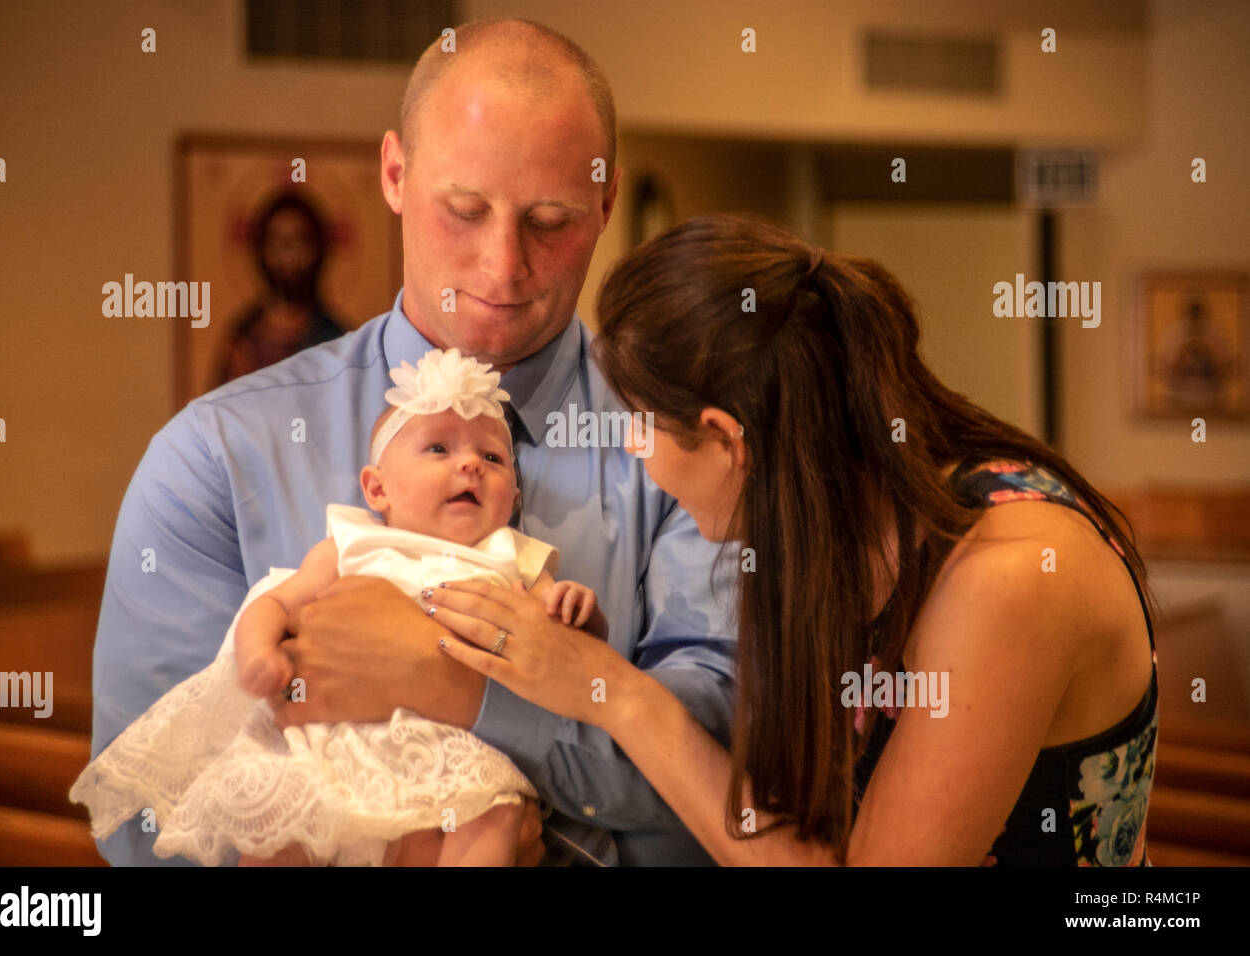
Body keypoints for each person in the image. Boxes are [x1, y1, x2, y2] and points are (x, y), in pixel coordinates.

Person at [90, 18, 737, 867]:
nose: (503, 267)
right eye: (463, 210)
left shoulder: (697, 450)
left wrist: (460, 693)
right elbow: (151, 828)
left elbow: (722, 773)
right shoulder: (213, 458)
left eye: (551, 221)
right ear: (393, 174)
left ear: (608, 200)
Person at [427, 213, 1159, 866]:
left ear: (724, 438)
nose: (632, 449)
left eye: (641, 421)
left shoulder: (1008, 578)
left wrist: (616, 692)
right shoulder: (811, 536)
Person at [75, 349, 603, 866]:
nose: (470, 463)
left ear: (512, 496)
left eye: (492, 457)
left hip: (452, 751)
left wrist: (571, 605)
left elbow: (565, 645)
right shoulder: (352, 546)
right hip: (335, 741)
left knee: (496, 817)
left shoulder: (513, 559)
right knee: (278, 828)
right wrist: (258, 652)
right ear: (377, 489)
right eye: (439, 449)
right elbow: (279, 601)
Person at [215, 191, 346, 387]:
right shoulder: (243, 339)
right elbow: (219, 411)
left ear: (318, 250)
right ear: (261, 251)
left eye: (299, 241)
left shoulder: (335, 340)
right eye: (277, 242)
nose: (287, 255)